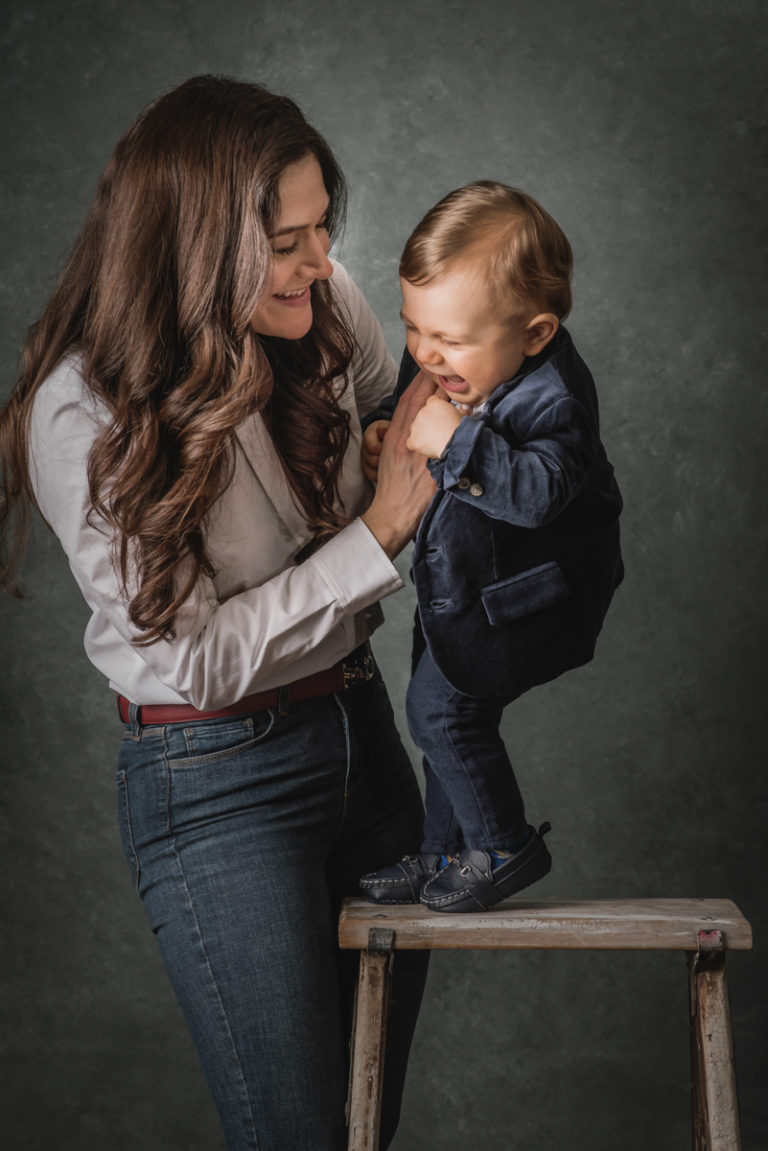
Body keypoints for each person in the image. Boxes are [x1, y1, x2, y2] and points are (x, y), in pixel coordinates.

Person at [0, 75, 439, 1151]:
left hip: (361, 735)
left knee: (361, 1127)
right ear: (195, 244)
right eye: (286, 240)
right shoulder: (84, 406)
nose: (321, 262)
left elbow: (393, 408)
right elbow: (193, 663)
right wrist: (375, 532)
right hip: (218, 782)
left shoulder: (319, 303)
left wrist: (395, 434)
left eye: (323, 225)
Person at [359, 182, 624, 913]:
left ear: (534, 334)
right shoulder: (461, 357)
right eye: (414, 327)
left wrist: (455, 442)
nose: (425, 352)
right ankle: (444, 851)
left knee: (442, 712)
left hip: (531, 595)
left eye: (448, 339)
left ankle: (503, 844)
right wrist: (388, 423)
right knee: (442, 705)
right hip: (466, 586)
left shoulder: (556, 400)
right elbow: (422, 392)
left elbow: (539, 491)